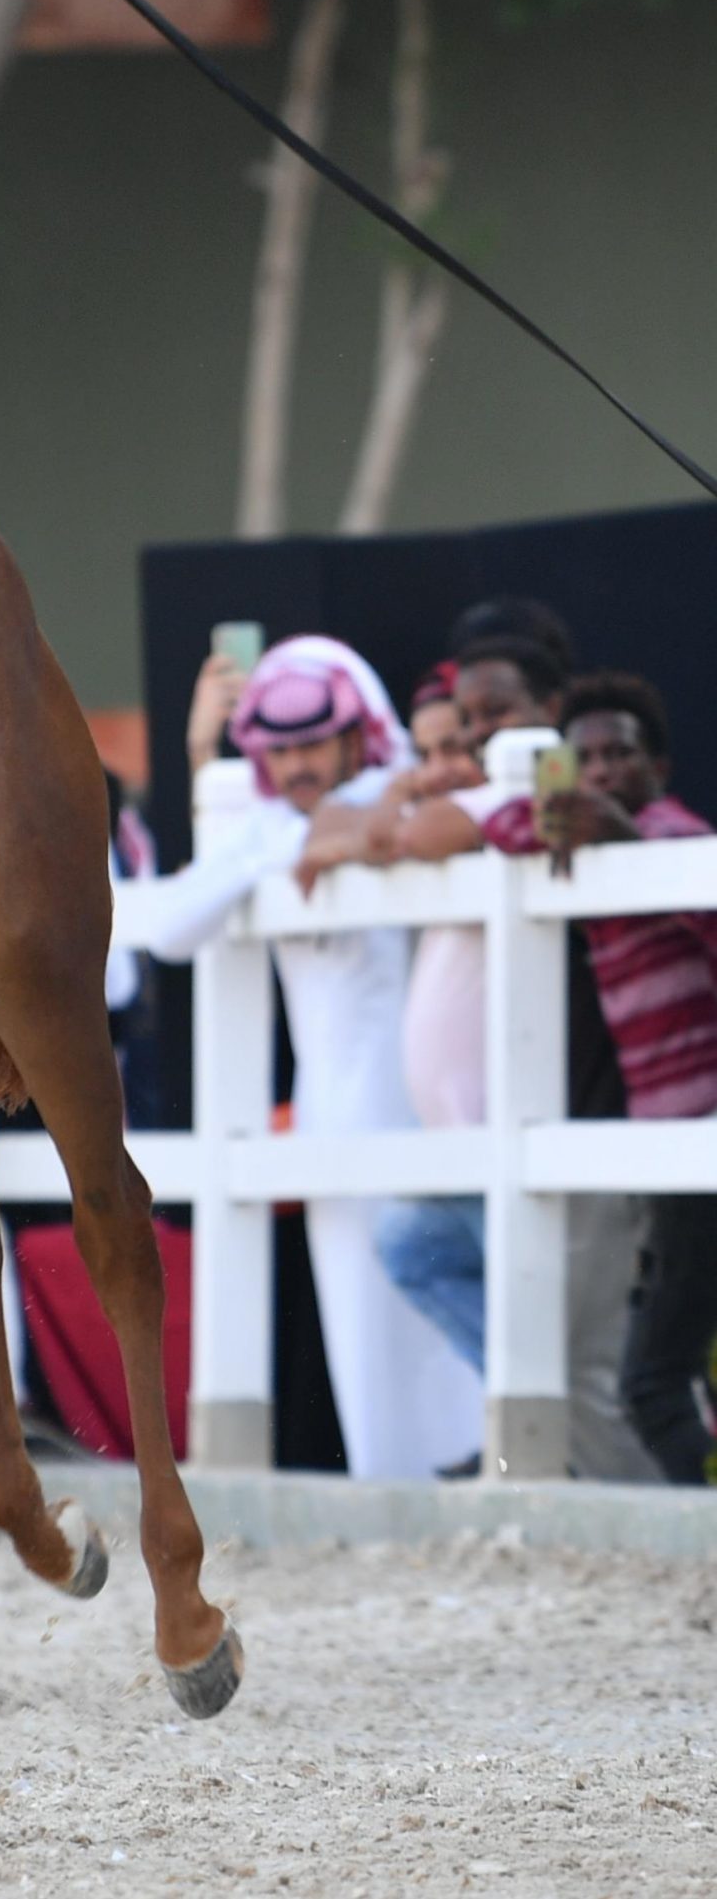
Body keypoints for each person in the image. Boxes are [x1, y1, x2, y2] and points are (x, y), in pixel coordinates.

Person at [116, 634, 481, 1478]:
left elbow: (376, 814)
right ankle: (400, 1501)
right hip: (335, 1115)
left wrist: (296, 839)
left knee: (446, 1319)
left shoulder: (396, 797)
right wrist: (222, 780)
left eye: (314, 742)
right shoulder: (273, 829)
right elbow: (170, 929)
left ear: (358, 735)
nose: (296, 764)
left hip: (435, 1105)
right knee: (363, 1336)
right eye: (277, 749)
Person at [344, 630, 651, 1480]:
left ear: (548, 711)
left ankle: (628, 1501)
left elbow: (399, 839)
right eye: (464, 720)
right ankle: (525, 1434)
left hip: (555, 1129)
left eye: (492, 715)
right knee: (414, 1246)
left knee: (579, 1373)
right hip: (478, 1144)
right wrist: (402, 794)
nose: (478, 736)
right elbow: (354, 834)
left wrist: (408, 805)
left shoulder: (531, 799)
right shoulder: (492, 804)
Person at [504, 671, 717, 1484]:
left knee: (653, 1382)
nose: (599, 772)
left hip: (698, 1146)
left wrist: (628, 839)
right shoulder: (583, 842)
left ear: (656, 767)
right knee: (672, 1373)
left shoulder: (671, 835)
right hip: (666, 1157)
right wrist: (551, 814)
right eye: (581, 759)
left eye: (617, 755)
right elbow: (501, 826)